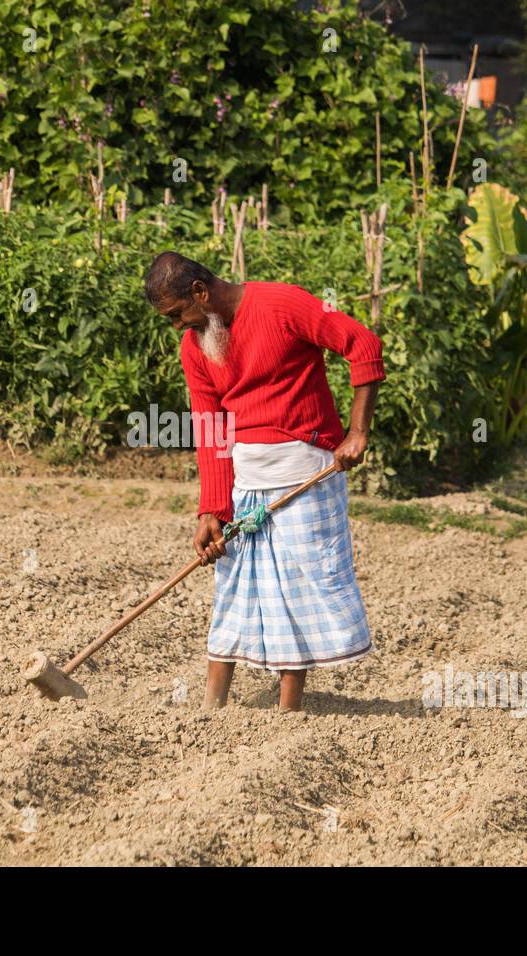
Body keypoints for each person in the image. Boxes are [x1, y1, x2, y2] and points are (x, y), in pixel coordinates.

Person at [143, 252, 384, 712]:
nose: (177, 326)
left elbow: (363, 344)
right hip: (246, 480)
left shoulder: (284, 303)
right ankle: (210, 710)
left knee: (294, 588)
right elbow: (211, 430)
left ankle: (287, 713)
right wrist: (212, 511)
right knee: (235, 587)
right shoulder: (195, 346)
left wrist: (357, 432)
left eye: (177, 314)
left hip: (307, 473)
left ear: (200, 292)